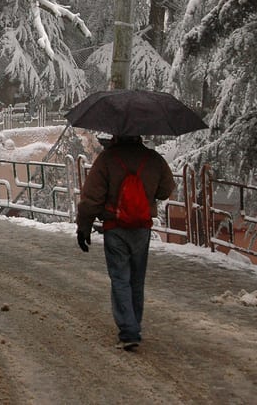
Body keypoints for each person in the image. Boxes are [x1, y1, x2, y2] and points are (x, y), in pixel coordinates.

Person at [75, 135, 175, 351]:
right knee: (137, 279)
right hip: (141, 228)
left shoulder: (107, 159)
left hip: (115, 227)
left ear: (116, 134)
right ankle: (134, 325)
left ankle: (128, 331)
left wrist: (84, 226)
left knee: (120, 278)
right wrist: (146, 192)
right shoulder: (153, 158)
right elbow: (166, 189)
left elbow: (91, 198)